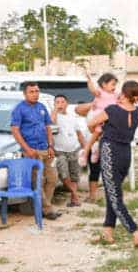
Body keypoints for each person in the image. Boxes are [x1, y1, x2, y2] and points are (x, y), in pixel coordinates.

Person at [89, 81, 138, 247]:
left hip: (110, 151)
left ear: (124, 94)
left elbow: (90, 123)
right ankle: (108, 231)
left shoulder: (112, 110)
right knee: (111, 192)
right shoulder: (137, 112)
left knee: (114, 197)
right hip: (125, 153)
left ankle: (134, 231)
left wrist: (99, 129)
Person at [10, 82, 61, 221]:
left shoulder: (41, 107)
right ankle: (47, 209)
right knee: (38, 181)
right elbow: (15, 130)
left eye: (37, 91)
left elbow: (48, 127)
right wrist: (27, 149)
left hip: (46, 149)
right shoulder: (19, 109)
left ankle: (46, 207)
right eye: (32, 91)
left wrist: (50, 145)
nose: (35, 94)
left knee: (52, 179)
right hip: (31, 150)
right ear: (25, 94)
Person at [76, 70, 119, 167]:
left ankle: (96, 148)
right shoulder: (100, 93)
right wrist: (89, 80)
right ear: (104, 84)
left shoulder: (116, 95)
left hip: (108, 120)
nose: (114, 87)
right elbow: (92, 89)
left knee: (102, 136)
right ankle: (85, 152)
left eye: (115, 85)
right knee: (96, 133)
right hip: (99, 117)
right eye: (112, 84)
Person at [52, 94, 85, 207]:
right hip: (59, 151)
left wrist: (85, 147)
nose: (60, 104)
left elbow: (79, 133)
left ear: (67, 103)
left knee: (74, 174)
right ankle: (75, 194)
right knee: (63, 173)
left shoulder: (72, 117)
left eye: (62, 102)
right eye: (57, 102)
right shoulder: (53, 116)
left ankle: (74, 199)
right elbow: (51, 123)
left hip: (73, 149)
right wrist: (55, 110)